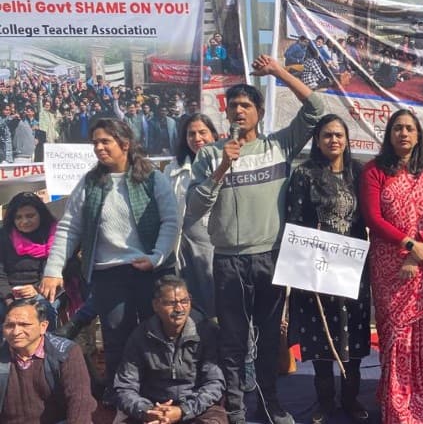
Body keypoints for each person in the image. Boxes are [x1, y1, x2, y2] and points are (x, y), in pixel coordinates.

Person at [187, 54, 323, 424]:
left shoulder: (279, 146)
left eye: (246, 105)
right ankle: (234, 409)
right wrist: (221, 168)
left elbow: (317, 107)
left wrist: (279, 71)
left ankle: (269, 404)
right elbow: (194, 208)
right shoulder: (211, 154)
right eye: (233, 106)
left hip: (271, 257)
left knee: (267, 339)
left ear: (260, 111)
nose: (239, 111)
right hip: (228, 260)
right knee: (232, 340)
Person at [40, 118, 179, 405]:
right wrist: (53, 271)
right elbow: (69, 227)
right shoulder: (90, 183)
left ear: (124, 144)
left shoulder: (153, 178)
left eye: (105, 141)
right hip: (107, 274)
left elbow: (170, 222)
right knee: (117, 339)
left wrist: (156, 258)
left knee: (156, 333)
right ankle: (121, 398)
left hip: (149, 271)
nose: (99, 148)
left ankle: (158, 394)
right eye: (95, 143)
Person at [359, 109, 423, 424]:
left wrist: (418, 252)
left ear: (419, 135)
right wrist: (408, 246)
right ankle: (400, 408)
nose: (403, 134)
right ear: (389, 135)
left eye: (409, 129)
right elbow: (373, 219)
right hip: (389, 266)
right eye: (397, 129)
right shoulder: (374, 171)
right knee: (396, 335)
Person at [285, 114, 371, 424]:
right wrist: (299, 272)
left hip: (353, 271)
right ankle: (324, 402)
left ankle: (350, 400)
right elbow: (294, 222)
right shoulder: (304, 175)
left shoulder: (359, 174)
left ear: (347, 140)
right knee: (321, 340)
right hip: (316, 269)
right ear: (317, 140)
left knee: (354, 342)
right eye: (326, 135)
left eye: (338, 135)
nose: (333, 140)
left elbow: (368, 220)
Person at [113, 276, 227, 424]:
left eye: (184, 301)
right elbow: (125, 386)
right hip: (154, 408)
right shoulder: (140, 336)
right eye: (171, 303)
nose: (179, 309)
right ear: (156, 305)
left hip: (196, 409)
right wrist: (147, 412)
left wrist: (183, 411)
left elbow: (214, 383)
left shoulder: (206, 332)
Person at [0, 299, 97, 423]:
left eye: (24, 325)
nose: (16, 332)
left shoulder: (65, 352)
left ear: (43, 326)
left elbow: (80, 401)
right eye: (9, 325)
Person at [164, 114, 219, 318]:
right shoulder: (173, 168)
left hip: (214, 243)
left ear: (213, 134)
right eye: (191, 134)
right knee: (191, 301)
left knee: (217, 299)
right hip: (183, 244)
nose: (197, 138)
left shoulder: (226, 163)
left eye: (202, 132)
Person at [0, 192, 59, 328]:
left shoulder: (54, 235)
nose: (24, 221)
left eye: (30, 216)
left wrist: (36, 289)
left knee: (44, 310)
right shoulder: (4, 236)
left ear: (41, 215)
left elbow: (58, 270)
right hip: (8, 293)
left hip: (47, 290)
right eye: (18, 217)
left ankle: (46, 347)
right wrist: (8, 298)